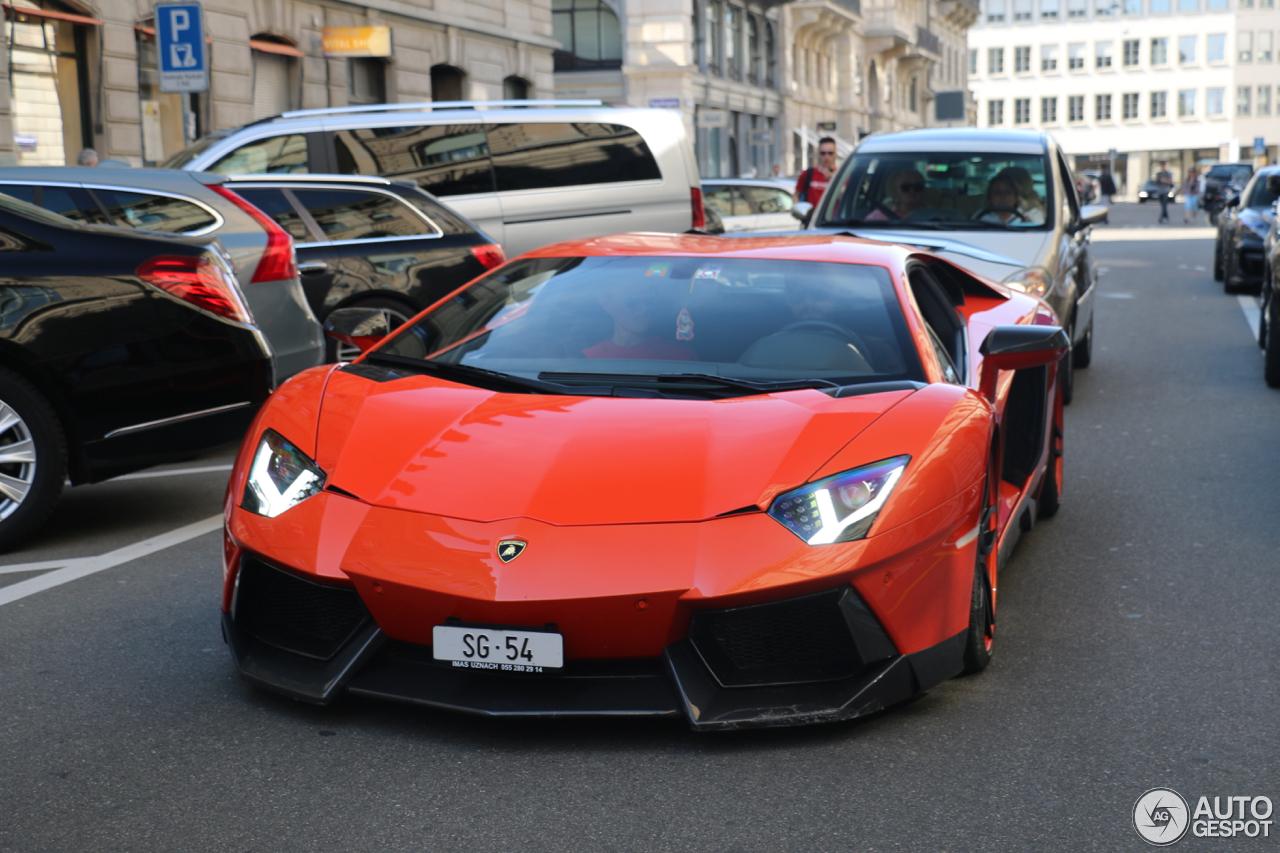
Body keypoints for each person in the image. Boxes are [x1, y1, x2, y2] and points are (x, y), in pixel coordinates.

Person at [583, 280, 697, 360]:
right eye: (631, 299)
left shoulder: (678, 356)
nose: (644, 309)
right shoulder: (584, 359)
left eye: (649, 298)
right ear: (606, 304)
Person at [976, 167, 1045, 225]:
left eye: (1008, 192)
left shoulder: (1032, 214)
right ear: (990, 197)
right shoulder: (981, 216)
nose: (1002, 196)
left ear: (1016, 196)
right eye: (997, 192)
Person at [793, 137, 838, 207]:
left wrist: (833, 181)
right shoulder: (807, 173)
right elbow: (796, 195)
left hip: (833, 216)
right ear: (818, 154)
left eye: (830, 153)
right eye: (823, 153)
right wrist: (799, 208)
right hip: (811, 216)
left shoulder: (841, 175)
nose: (826, 156)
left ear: (835, 154)